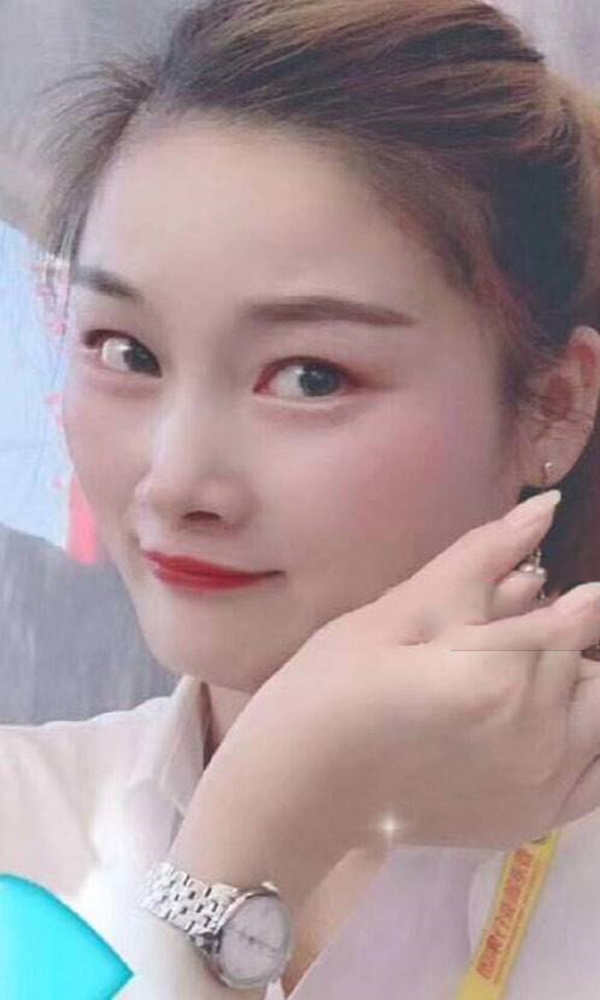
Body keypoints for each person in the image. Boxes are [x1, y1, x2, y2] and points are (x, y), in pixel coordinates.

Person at [3, 0, 600, 996]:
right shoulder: (21, 820)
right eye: (127, 352)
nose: (175, 482)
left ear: (553, 405)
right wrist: (250, 843)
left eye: (310, 376)